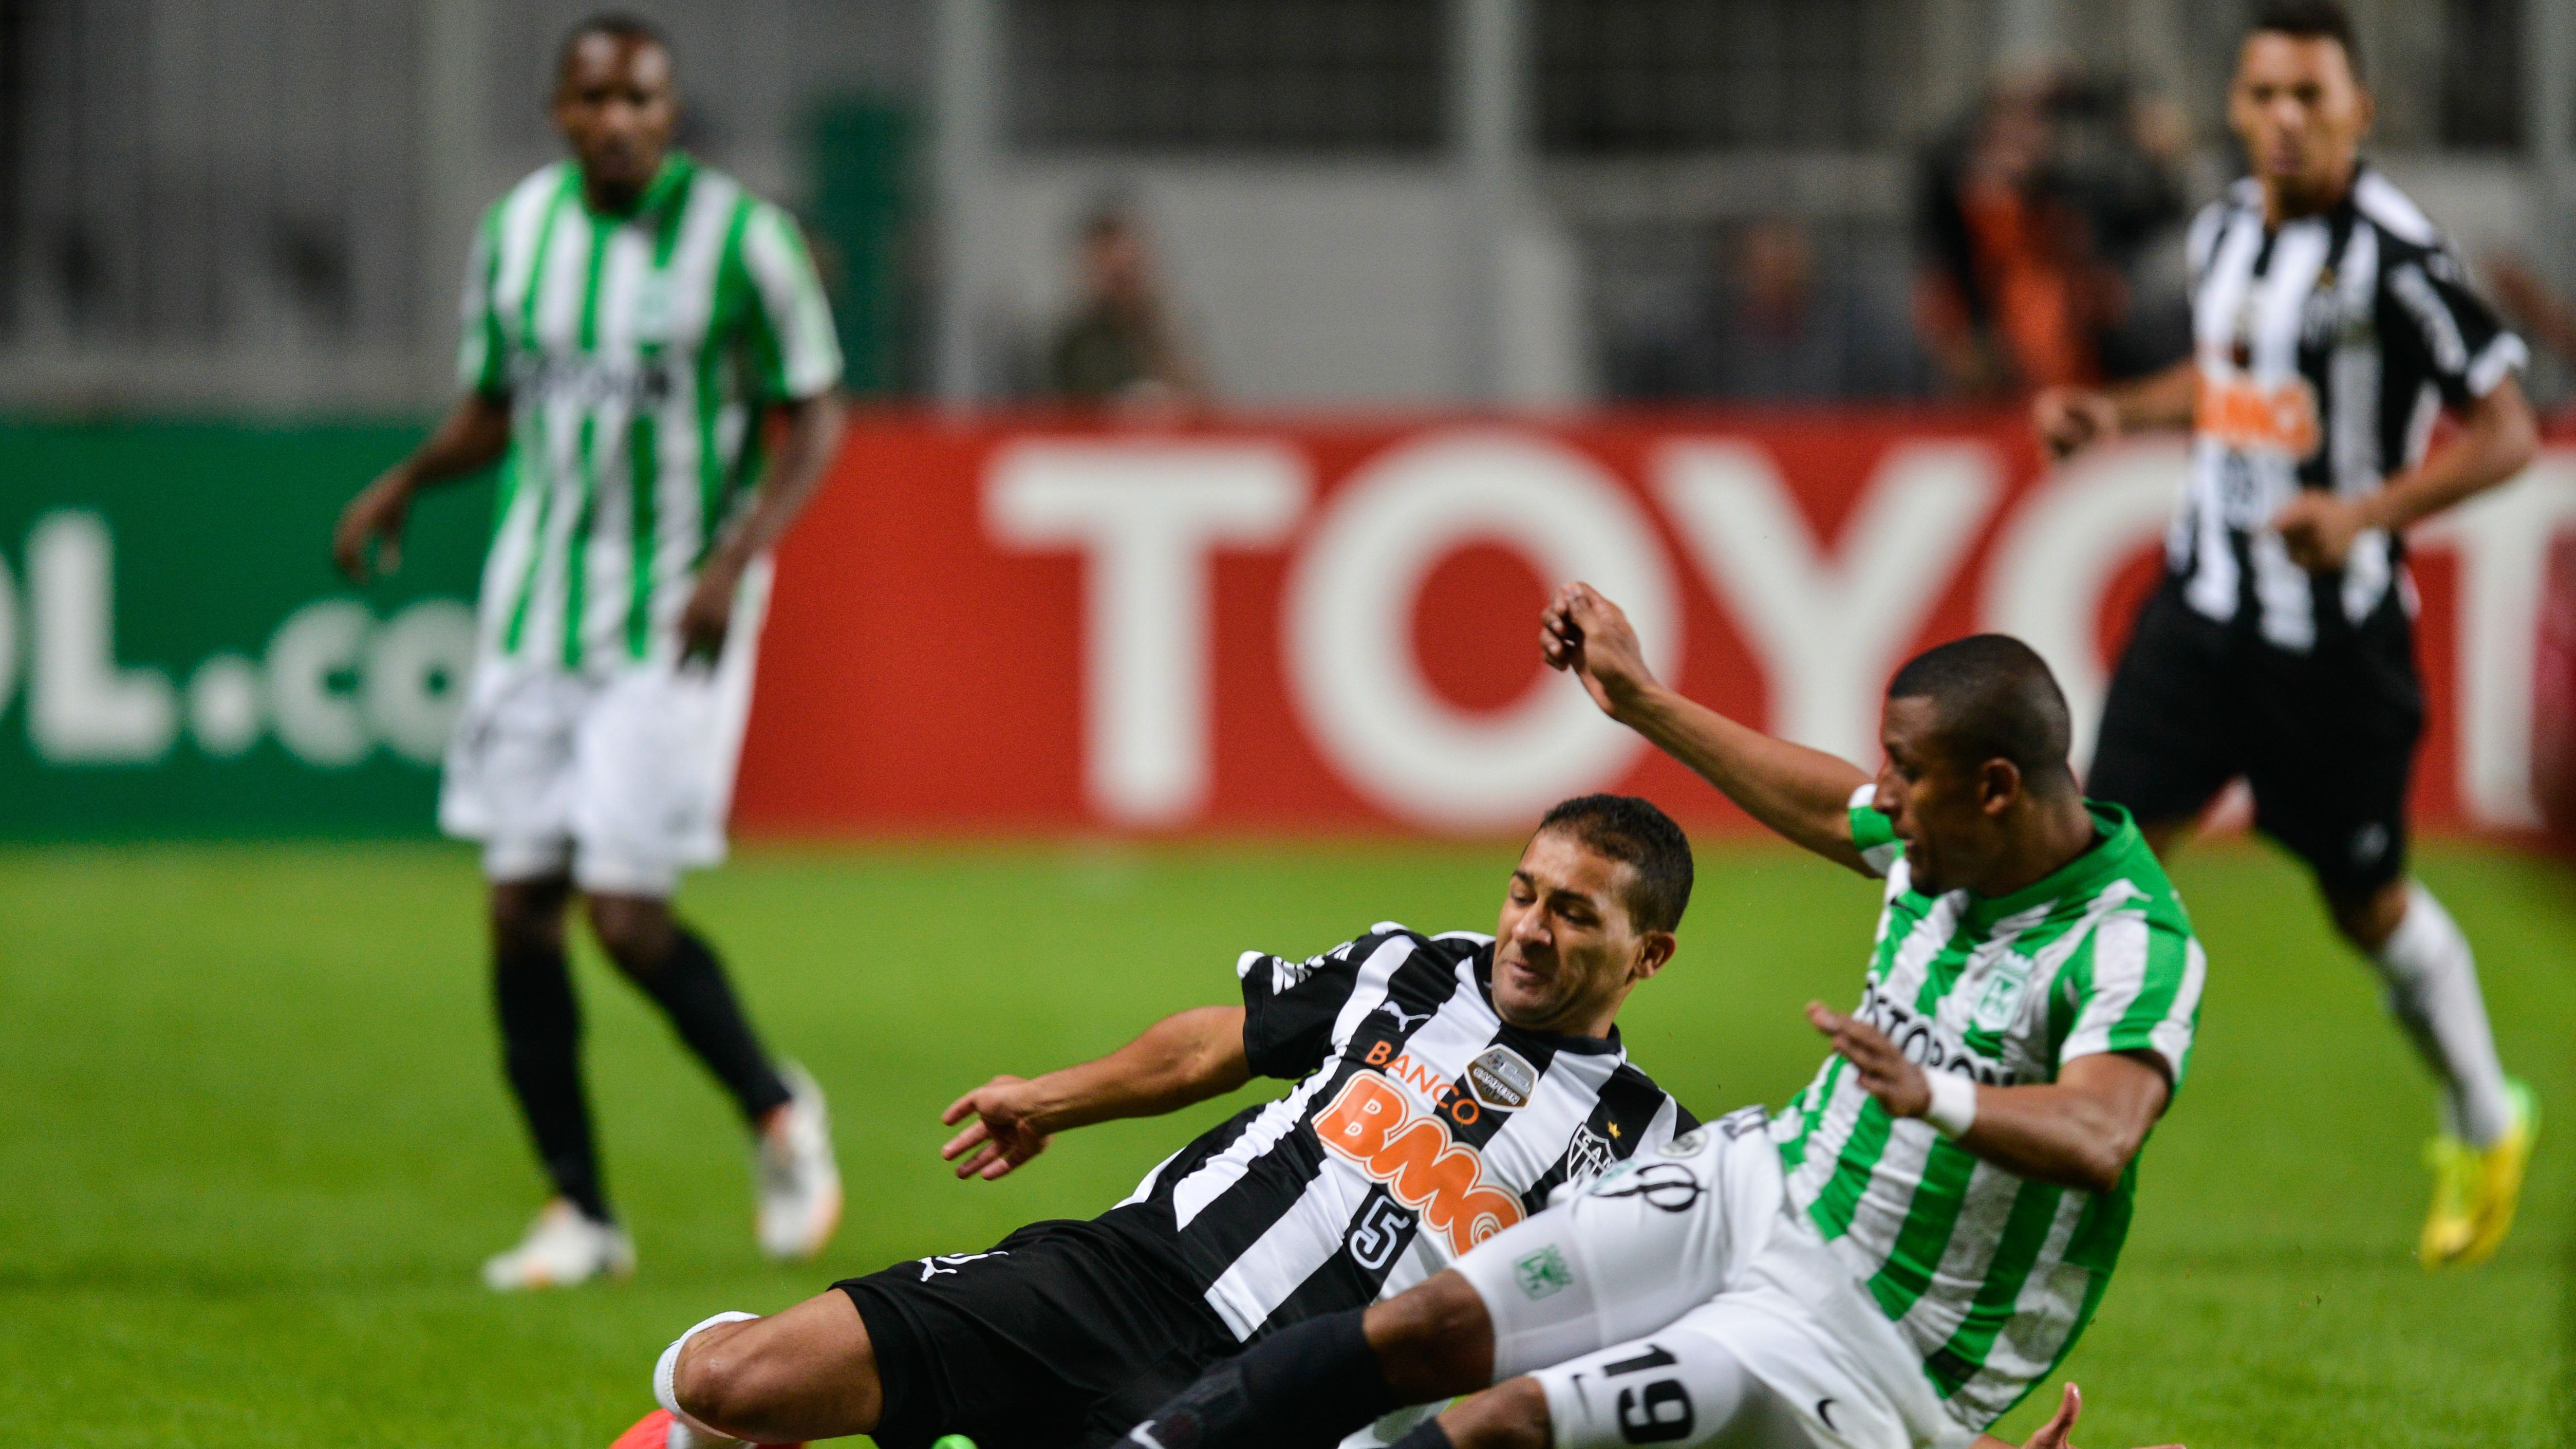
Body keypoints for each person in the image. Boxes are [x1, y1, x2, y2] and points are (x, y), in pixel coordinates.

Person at [1124, 585, 2198, 1449]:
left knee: (1506, 1422)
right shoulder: (1946, 840)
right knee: (1424, 1325)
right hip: (1761, 1188)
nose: (1885, 799)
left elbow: (2101, 1134)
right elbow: (1829, 805)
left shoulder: (2124, 941)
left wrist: (1939, 1098)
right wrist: (1639, 699)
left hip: (1864, 1334)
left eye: (1906, 777)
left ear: (1998, 789)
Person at [609, 795, 1703, 1449]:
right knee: (729, 1385)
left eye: (1573, 913)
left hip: (1273, 1407)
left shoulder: (1642, 1141)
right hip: (1124, 1277)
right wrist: (1049, 1097)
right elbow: (1213, 1046)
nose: (1527, 929)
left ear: (1645, 956)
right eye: (1523, 892)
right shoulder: (1407, 968)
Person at [331, 13, 848, 1289]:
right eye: (595, 98)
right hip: (530, 618)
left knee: (622, 914)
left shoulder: (745, 240)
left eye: (642, 99)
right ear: (561, 111)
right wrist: (407, 480)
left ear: (670, 112)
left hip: (672, 614)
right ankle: (581, 1210)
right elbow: (498, 404)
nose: (619, 119)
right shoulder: (518, 233)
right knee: (518, 912)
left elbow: (818, 410)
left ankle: (777, 1107)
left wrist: (737, 559)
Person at [2031, 0, 2540, 1268]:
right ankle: (2045, 1146)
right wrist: (2117, 413)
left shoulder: (2401, 260)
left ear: (2361, 108)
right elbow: (2224, 379)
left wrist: (2368, 508)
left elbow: (2506, 431)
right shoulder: (2222, 233)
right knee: (2091, 865)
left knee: (2365, 901)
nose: (2287, 119)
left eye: (2312, 95)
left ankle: (2485, 1113)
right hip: (2200, 617)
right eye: (2265, 95)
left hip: (2337, 651)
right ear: (2236, 109)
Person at [1042, 200, 1205, 410]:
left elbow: (1199, 400)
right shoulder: (1075, 346)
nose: (1126, 283)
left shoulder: (1161, 331)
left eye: (1132, 268)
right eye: (1115, 275)